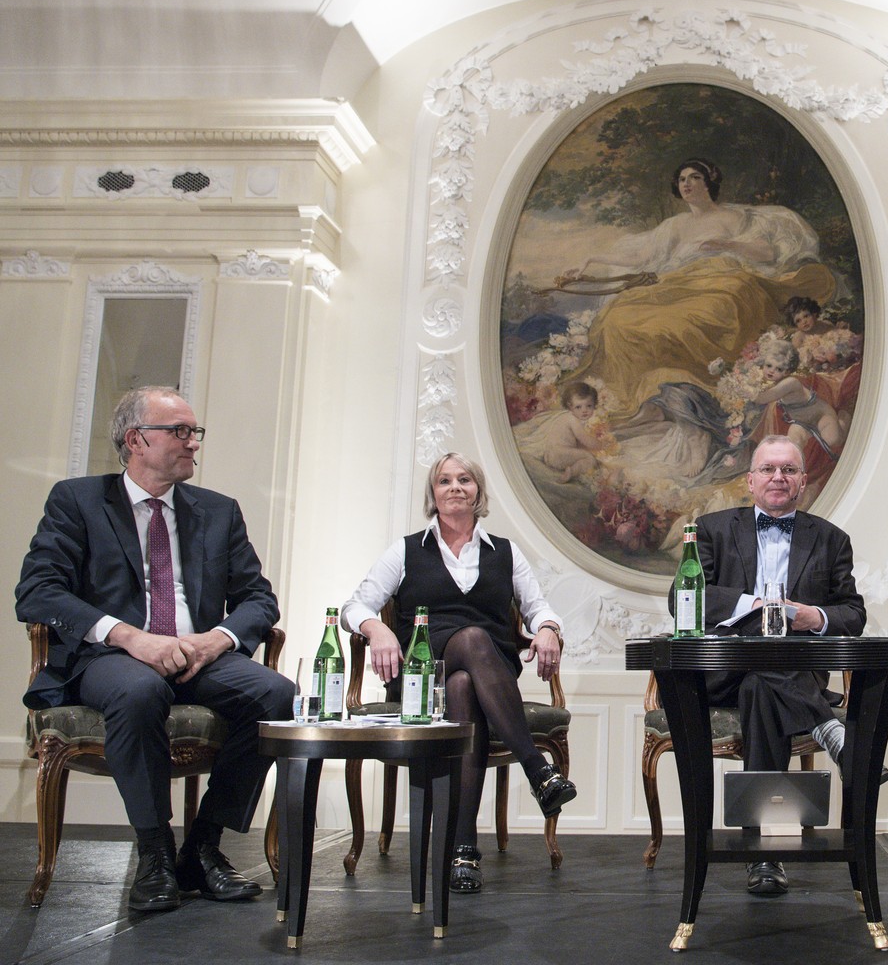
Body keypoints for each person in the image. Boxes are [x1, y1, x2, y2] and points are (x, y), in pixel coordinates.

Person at [16, 386, 292, 912]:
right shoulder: (77, 501)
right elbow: (37, 592)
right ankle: (154, 853)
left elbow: (258, 598)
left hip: (196, 656)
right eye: (180, 432)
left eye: (195, 433)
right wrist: (128, 636)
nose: (193, 443)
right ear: (136, 439)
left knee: (276, 693)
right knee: (140, 691)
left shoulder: (218, 510)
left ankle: (204, 847)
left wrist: (218, 639)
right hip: (111, 659)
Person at [341, 452, 577, 894]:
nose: (455, 487)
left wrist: (547, 628)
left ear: (478, 491)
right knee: (470, 639)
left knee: (466, 682)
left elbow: (538, 606)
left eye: (464, 480)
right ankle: (537, 771)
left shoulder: (504, 552)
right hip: (420, 672)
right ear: (433, 494)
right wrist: (376, 629)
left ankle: (463, 850)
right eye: (444, 481)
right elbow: (356, 605)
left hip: (486, 673)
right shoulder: (407, 549)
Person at [680, 435, 872, 898]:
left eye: (788, 470)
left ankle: (765, 858)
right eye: (768, 469)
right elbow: (683, 598)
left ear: (803, 482)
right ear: (749, 481)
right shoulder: (710, 529)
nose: (778, 478)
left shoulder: (830, 539)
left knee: (761, 689)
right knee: (756, 650)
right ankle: (827, 725)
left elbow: (853, 614)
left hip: (779, 680)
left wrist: (815, 616)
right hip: (723, 674)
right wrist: (759, 606)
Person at [557, 158, 838, 420]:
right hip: (678, 284)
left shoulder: (732, 217)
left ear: (709, 183)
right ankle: (646, 397)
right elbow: (639, 258)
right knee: (618, 316)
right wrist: (590, 260)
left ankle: (698, 390)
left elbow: (766, 252)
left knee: (697, 317)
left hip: (723, 278)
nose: (687, 184)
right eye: (682, 179)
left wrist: (727, 245)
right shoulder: (674, 226)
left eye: (694, 177)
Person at [750, 337, 847, 451]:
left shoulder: (790, 382)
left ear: (787, 372)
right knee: (793, 443)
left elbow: (763, 398)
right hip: (801, 422)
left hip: (820, 415)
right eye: (769, 366)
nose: (772, 371)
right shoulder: (770, 383)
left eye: (779, 369)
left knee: (832, 440)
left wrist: (745, 391)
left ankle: (844, 420)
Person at [522, 381, 606, 481]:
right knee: (589, 459)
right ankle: (572, 472)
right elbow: (584, 439)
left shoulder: (566, 416)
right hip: (559, 454)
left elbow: (578, 443)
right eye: (578, 407)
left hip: (551, 455)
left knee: (586, 456)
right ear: (570, 406)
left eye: (589, 406)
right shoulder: (572, 419)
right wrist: (601, 445)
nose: (584, 410)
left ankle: (572, 469)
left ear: (594, 405)